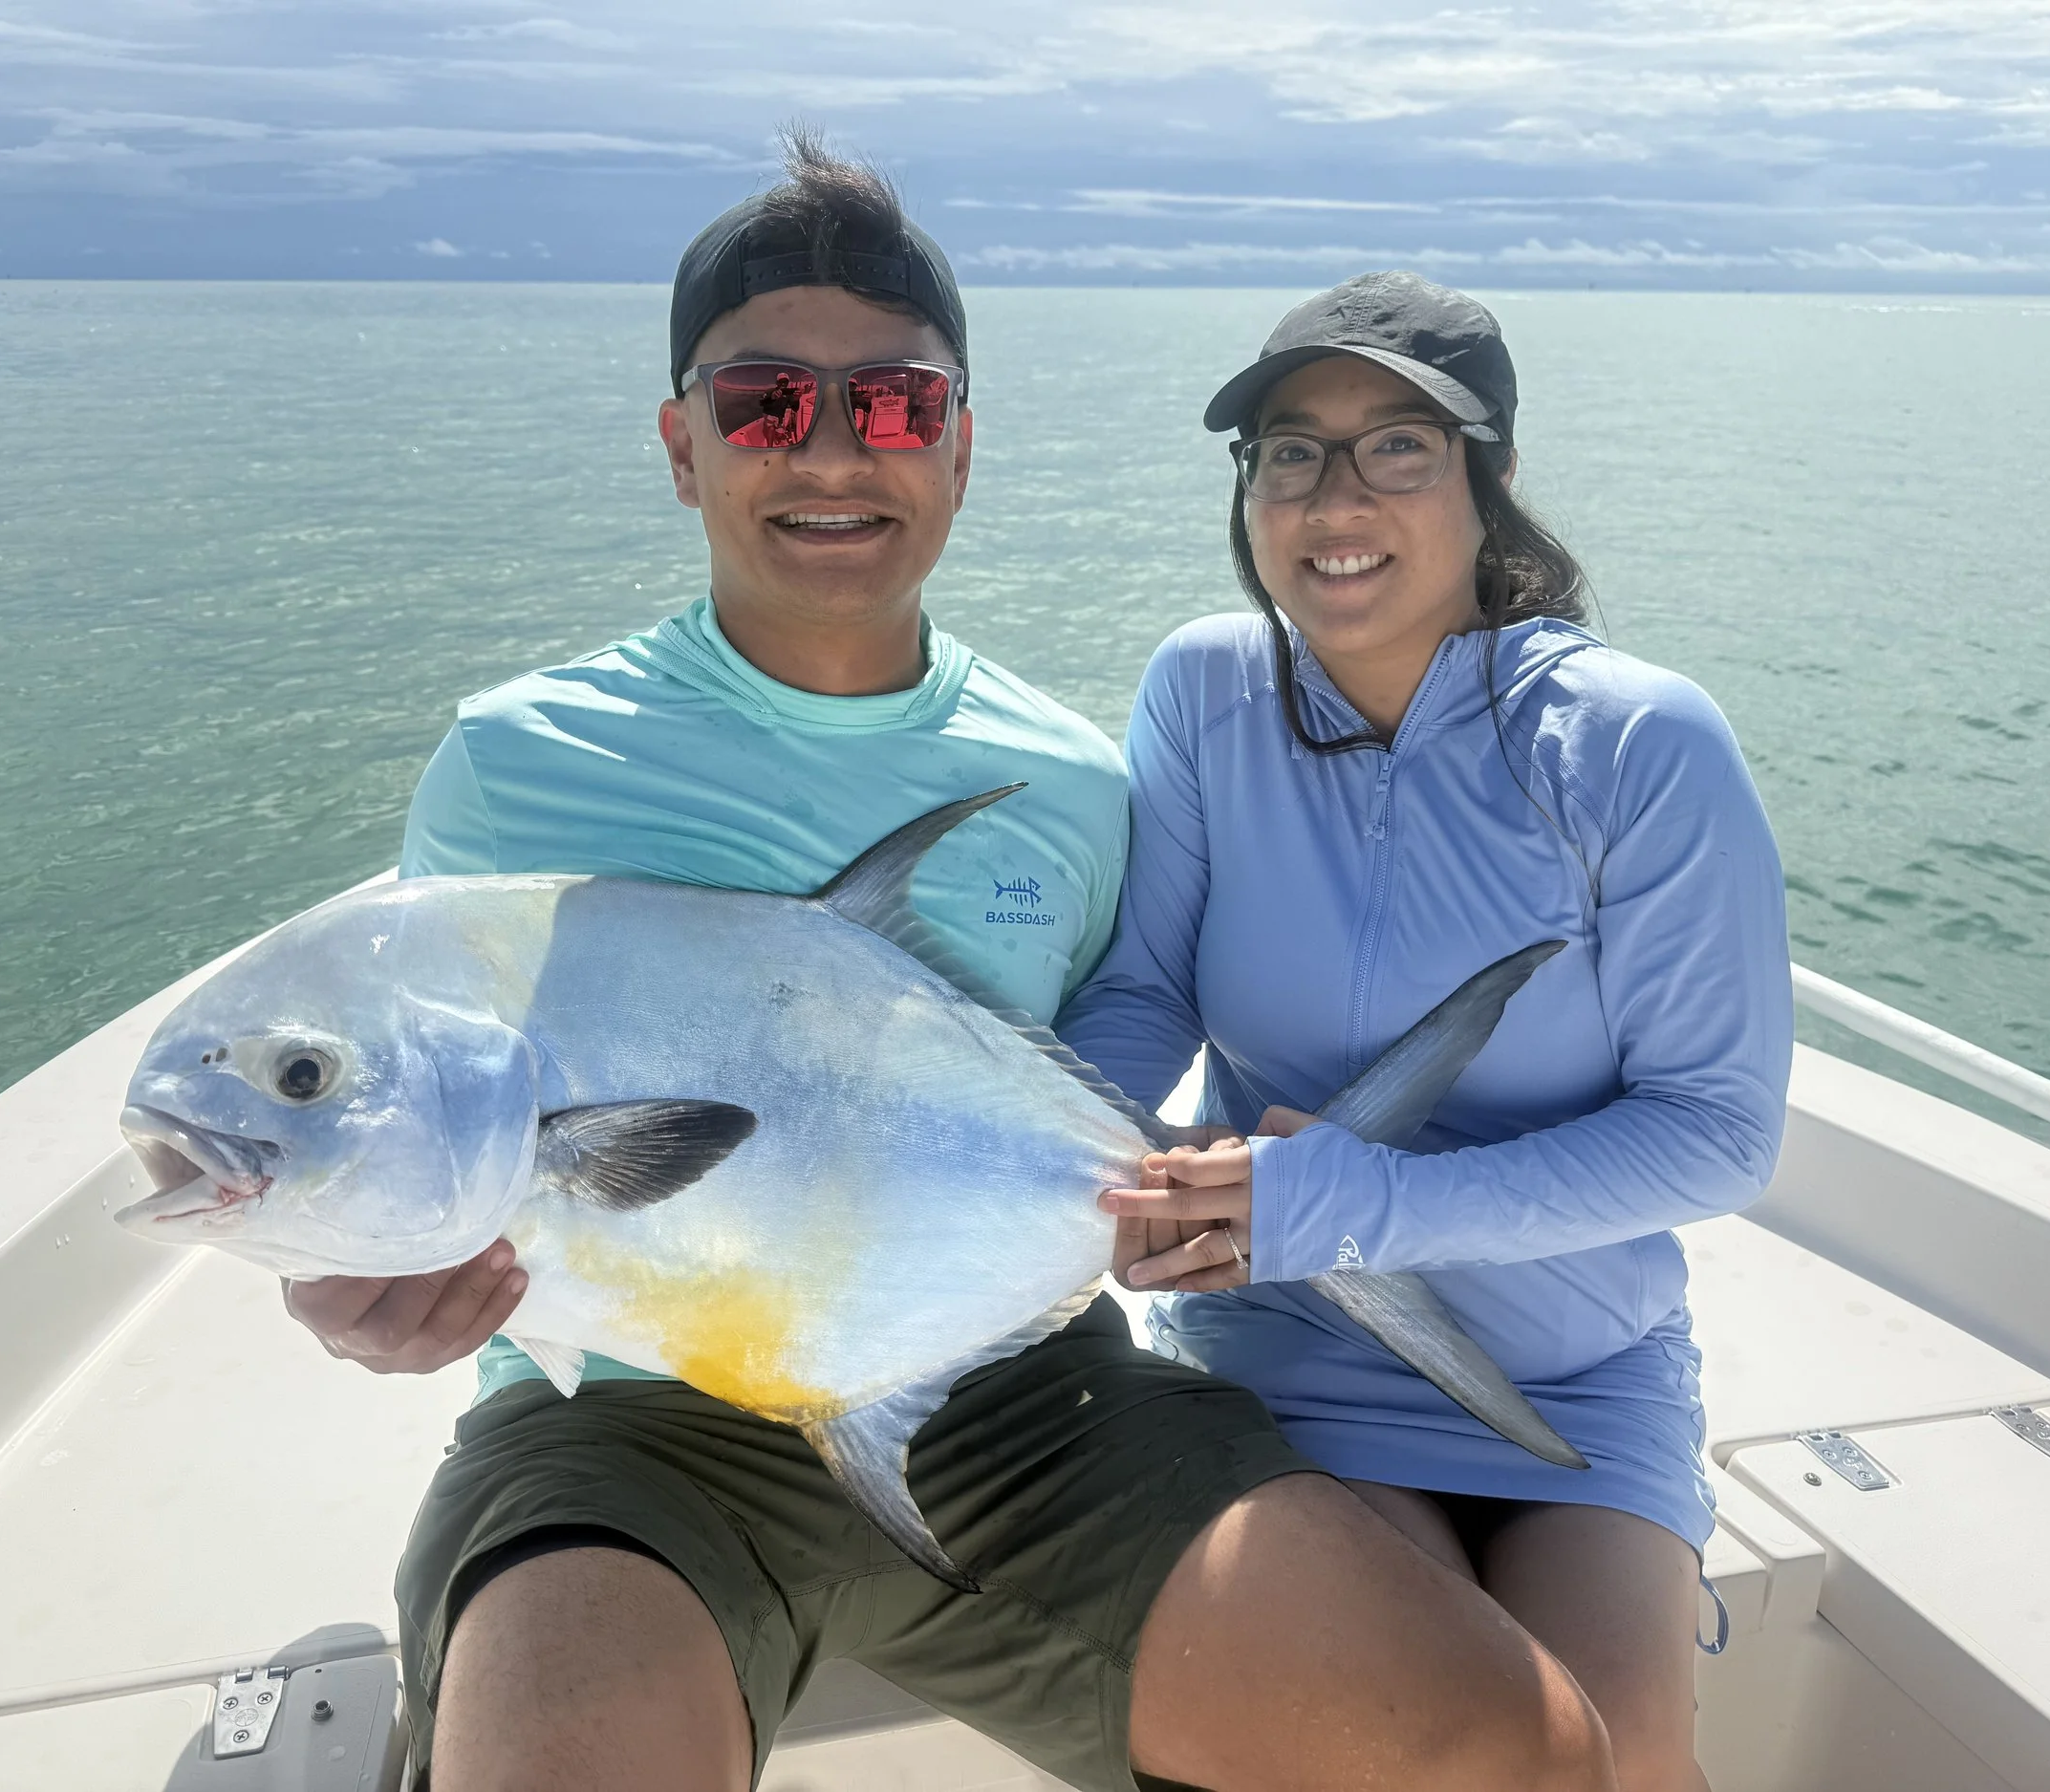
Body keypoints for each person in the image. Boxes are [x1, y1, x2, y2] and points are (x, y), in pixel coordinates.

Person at [276, 148, 1615, 1792]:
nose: (834, 451)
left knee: (1514, 1749)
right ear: (680, 445)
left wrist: (1197, 1203)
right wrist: (354, 1278)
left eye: (896, 406)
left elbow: (1078, 1082)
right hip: (626, 1418)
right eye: (765, 403)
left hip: (1015, 1392)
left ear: (962, 450)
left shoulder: (1068, 780)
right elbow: (420, 1101)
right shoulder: (509, 763)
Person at [1061, 272, 1794, 1792]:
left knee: (1624, 1760)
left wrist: (1346, 1200)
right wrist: (1097, 1173)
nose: (1336, 495)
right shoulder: (1203, 692)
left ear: (1494, 479)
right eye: (1289, 450)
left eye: (1398, 444)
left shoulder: (1641, 744)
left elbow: (1718, 1128)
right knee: (1424, 1742)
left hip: (1580, 1373)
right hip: (1288, 1346)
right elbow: (1143, 993)